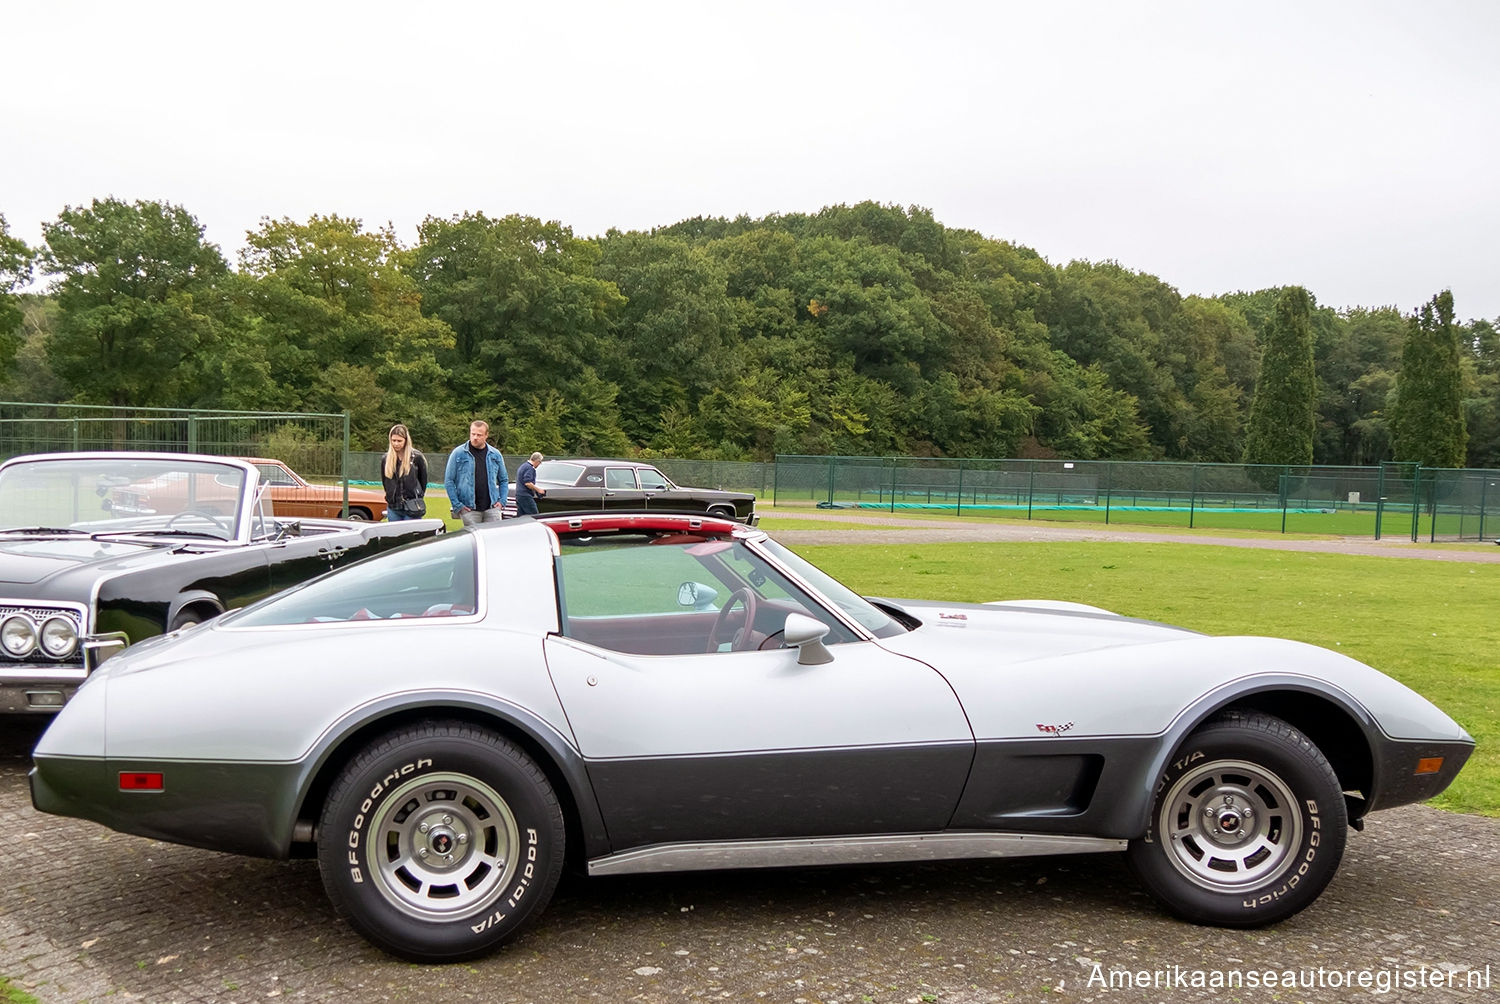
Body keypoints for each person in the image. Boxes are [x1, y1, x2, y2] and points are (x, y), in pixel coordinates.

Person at [444, 419, 508, 526]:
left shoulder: (495, 454)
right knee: (473, 540)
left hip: (492, 508)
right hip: (469, 509)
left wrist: (502, 502)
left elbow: (504, 480)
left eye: (479, 435)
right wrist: (457, 505)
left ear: (486, 435)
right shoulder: (458, 453)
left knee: (492, 540)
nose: (475, 437)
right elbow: (449, 480)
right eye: (473, 434)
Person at [381, 424, 429, 521]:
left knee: (411, 535)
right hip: (393, 507)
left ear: (406, 441)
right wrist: (391, 496)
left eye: (399, 441)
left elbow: (423, 480)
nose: (396, 444)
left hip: (412, 506)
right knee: (394, 535)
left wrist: (417, 496)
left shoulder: (416, 457)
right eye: (393, 440)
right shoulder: (386, 459)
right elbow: (385, 481)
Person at [514, 451, 546, 516]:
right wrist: (538, 490)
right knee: (534, 516)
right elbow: (527, 483)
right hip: (526, 496)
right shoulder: (530, 468)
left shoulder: (523, 466)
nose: (539, 464)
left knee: (521, 517)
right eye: (540, 462)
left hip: (519, 495)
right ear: (537, 461)